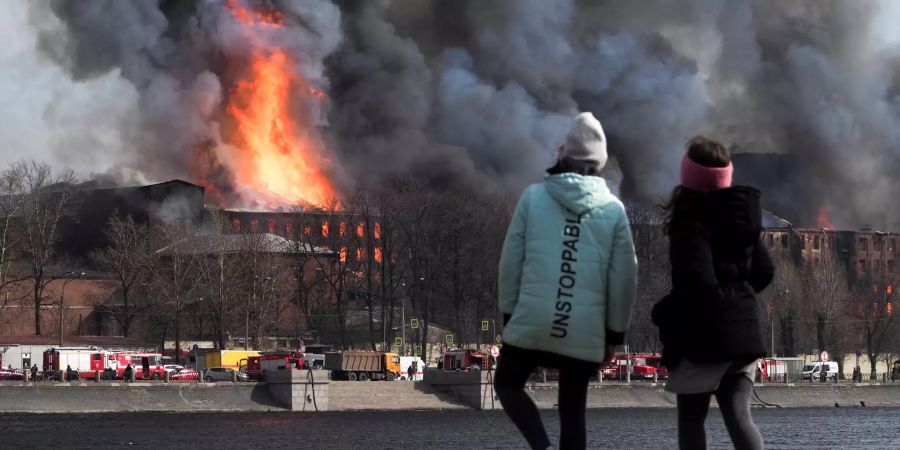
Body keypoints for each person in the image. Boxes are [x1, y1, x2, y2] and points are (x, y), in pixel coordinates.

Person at [496, 112, 638, 450]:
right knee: (573, 411)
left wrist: (509, 315)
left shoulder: (533, 197)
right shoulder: (613, 210)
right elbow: (625, 279)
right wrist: (613, 334)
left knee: (507, 384)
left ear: (564, 154)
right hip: (584, 330)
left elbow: (510, 263)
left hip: (531, 322)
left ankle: (541, 447)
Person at [652, 136, 773, 450]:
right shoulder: (743, 218)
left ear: (689, 176)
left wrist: (663, 311)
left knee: (692, 421)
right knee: (739, 415)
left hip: (702, 337)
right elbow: (765, 271)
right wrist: (738, 300)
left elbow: (699, 283)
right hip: (743, 333)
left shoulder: (689, 221)